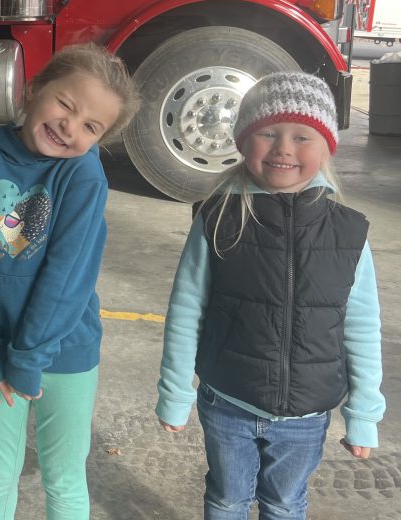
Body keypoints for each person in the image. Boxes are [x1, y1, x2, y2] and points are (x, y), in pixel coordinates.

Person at [156, 71, 385, 520]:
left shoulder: (349, 231)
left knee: (285, 503)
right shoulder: (218, 218)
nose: (283, 147)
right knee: (226, 499)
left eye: (302, 136)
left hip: (307, 416)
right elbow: (185, 311)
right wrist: (174, 393)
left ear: (325, 148)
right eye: (268, 133)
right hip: (228, 402)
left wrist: (364, 413)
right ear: (243, 141)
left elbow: (361, 325)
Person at [0, 43, 141, 520]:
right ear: (34, 89)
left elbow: (67, 277)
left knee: (63, 477)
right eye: (65, 105)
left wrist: (29, 356)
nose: (69, 127)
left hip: (67, 352)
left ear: (99, 140)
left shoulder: (83, 174)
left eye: (90, 127)